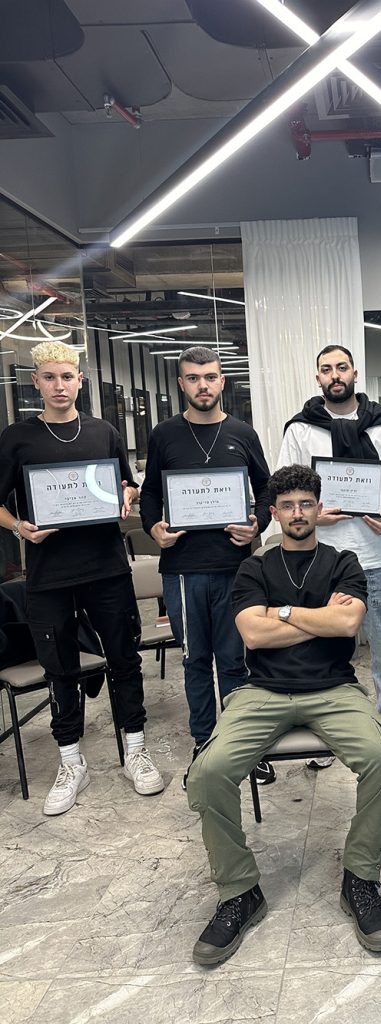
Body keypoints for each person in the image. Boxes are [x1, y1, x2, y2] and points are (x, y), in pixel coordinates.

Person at [187, 464, 381, 966]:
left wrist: (279, 612)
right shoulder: (254, 568)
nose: (298, 513)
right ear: (274, 512)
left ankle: (360, 878)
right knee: (208, 772)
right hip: (262, 691)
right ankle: (240, 891)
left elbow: (348, 624)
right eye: (287, 506)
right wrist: (319, 618)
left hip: (333, 689)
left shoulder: (343, 561)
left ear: (319, 508)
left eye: (306, 504)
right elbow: (252, 634)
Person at [0, 341, 164, 815]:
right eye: (49, 377)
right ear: (36, 382)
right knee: (60, 669)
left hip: (107, 568)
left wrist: (127, 496)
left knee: (124, 659)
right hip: (49, 574)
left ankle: (135, 750)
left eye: (67, 377)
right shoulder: (17, 437)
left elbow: (126, 483)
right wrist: (19, 527)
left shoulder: (103, 431)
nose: (59, 386)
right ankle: (71, 761)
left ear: (80, 381)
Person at [278, 345, 381, 761]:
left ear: (355, 373)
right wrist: (313, 516)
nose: (335, 375)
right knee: (321, 647)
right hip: (320, 561)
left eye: (341, 367)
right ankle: (326, 727)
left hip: (376, 557)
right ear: (317, 378)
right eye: (326, 369)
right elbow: (285, 487)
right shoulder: (301, 430)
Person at [140, 346, 271, 787]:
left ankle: (239, 744)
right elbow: (150, 492)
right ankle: (204, 743)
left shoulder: (242, 433)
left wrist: (257, 523)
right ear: (182, 384)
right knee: (195, 660)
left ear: (221, 381)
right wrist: (153, 528)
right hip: (182, 568)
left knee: (235, 661)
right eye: (193, 378)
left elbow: (266, 488)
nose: (203, 385)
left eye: (210, 377)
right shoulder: (164, 434)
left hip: (235, 567)